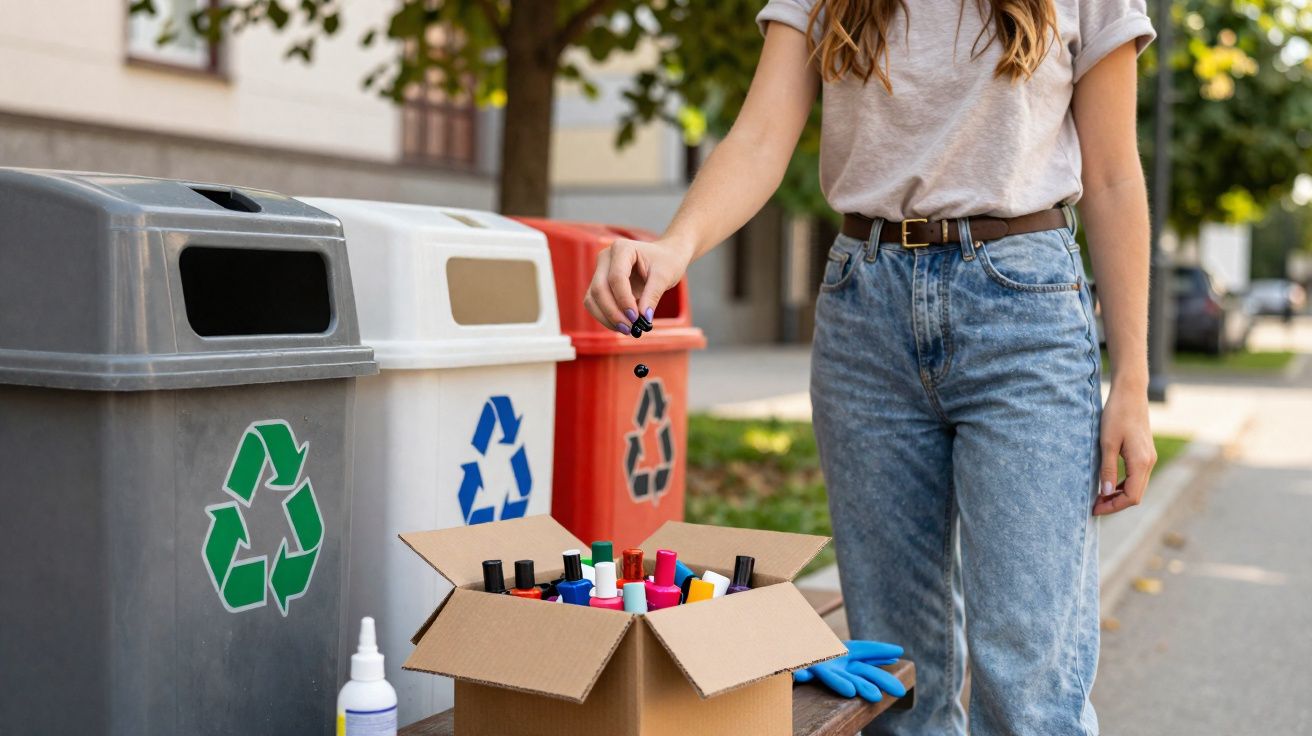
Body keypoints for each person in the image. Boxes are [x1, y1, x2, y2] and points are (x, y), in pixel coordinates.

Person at [583, 1, 1158, 733]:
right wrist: (676, 246)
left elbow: (1112, 175)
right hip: (866, 308)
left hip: (1025, 313)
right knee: (896, 679)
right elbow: (762, 137)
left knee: (1027, 679)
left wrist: (1132, 382)